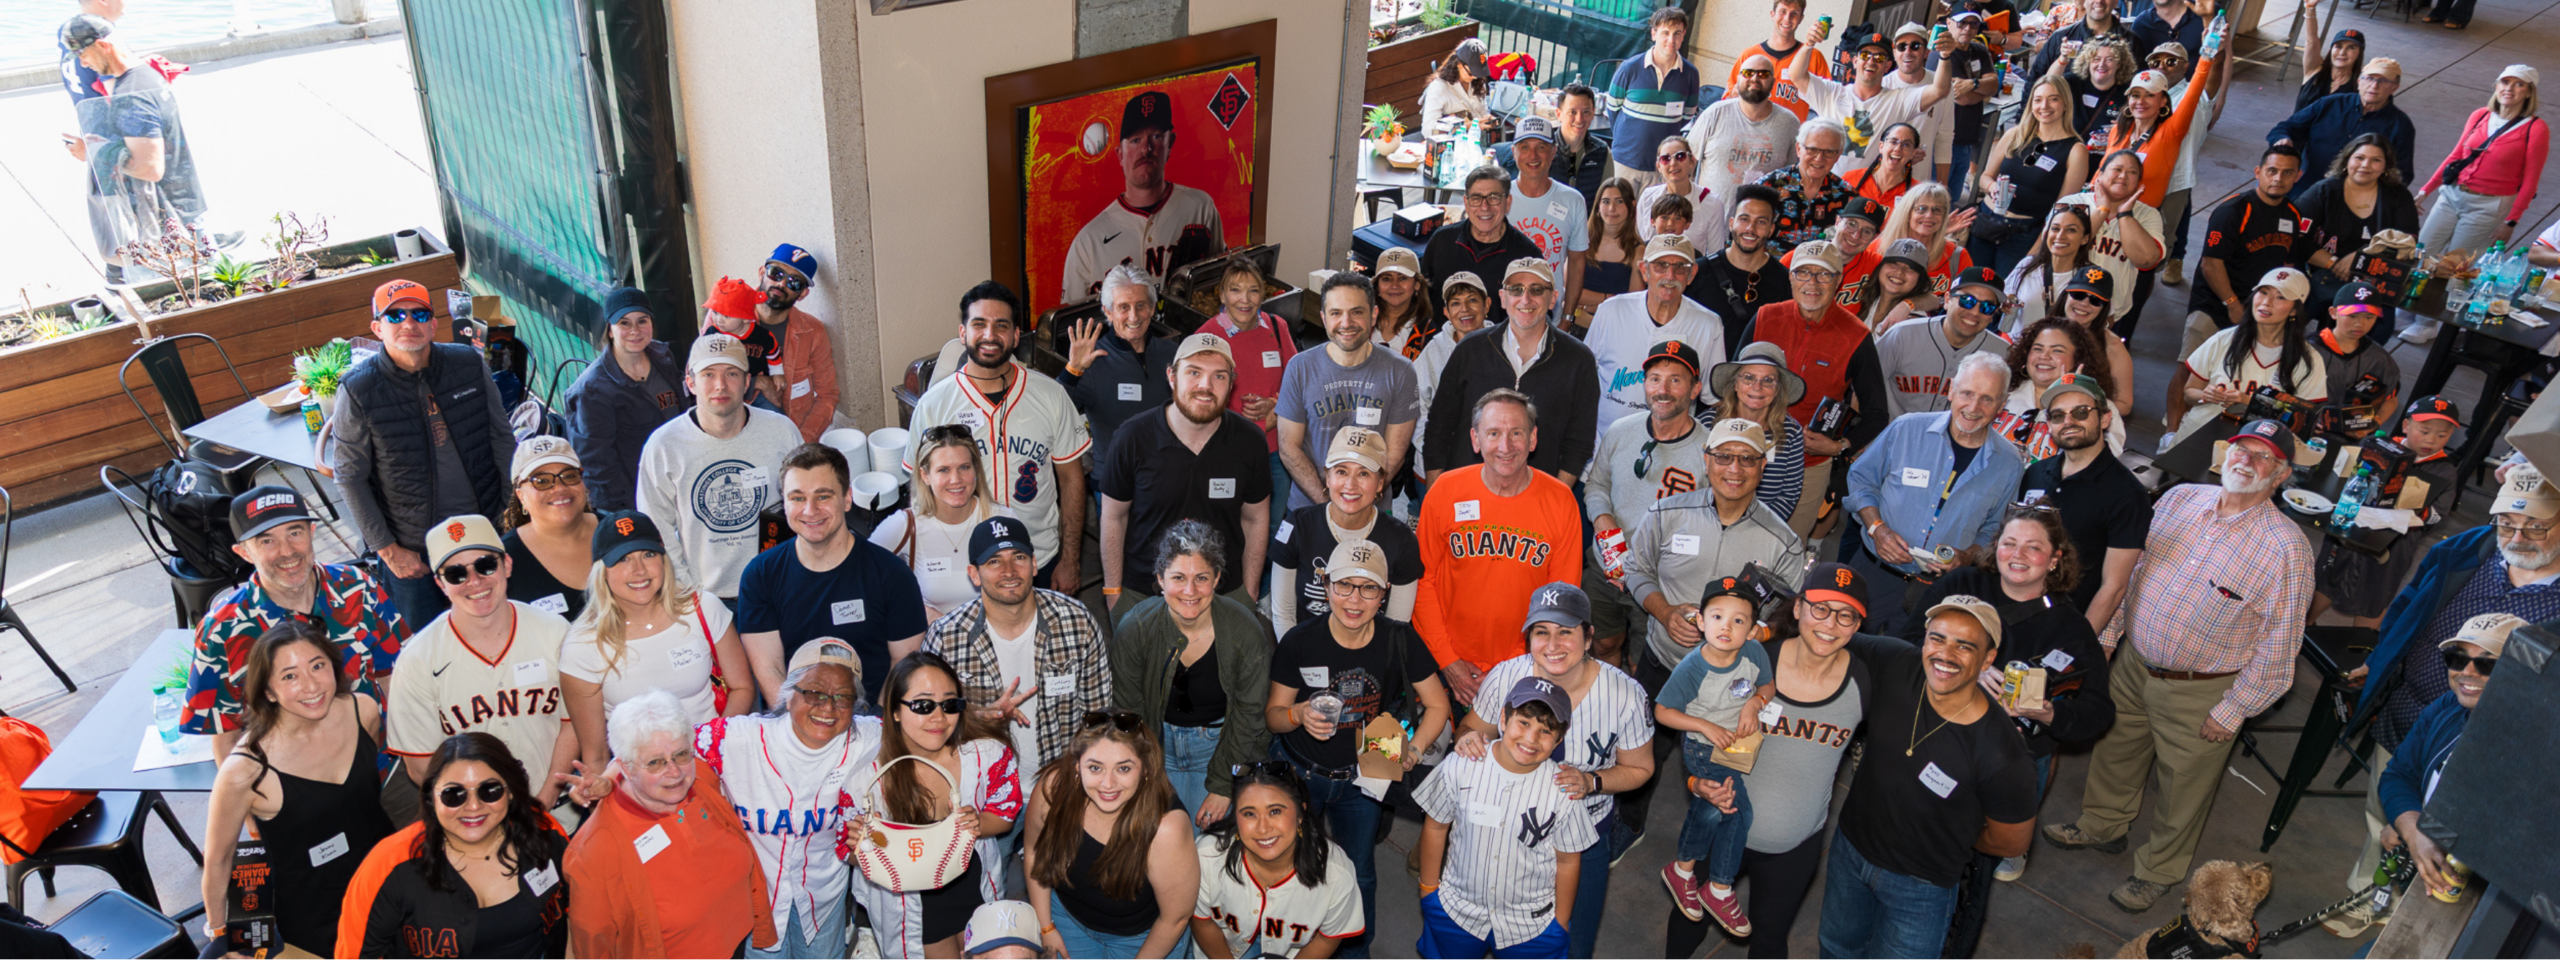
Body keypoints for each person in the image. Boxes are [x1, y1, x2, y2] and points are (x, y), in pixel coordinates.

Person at [2044, 420, 2313, 912]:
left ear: (2280, 475)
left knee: (2183, 791)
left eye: (2262, 457)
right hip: (2133, 663)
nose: (2246, 461)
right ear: (2224, 453)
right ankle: (2101, 825)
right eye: (2241, 449)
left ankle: (2157, 871)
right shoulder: (2179, 499)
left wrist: (2234, 710)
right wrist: (2106, 639)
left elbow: (2280, 645)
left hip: (2201, 690)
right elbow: (2131, 572)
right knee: (2115, 751)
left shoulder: (2285, 549)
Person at [1660, 564, 1876, 959]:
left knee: (1770, 942)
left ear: (1859, 624)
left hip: (1794, 846)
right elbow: (1693, 729)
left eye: (1846, 614)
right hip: (1722, 822)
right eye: (1820, 608)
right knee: (1687, 925)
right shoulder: (1751, 659)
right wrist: (1695, 784)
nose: (1830, 623)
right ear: (1797, 609)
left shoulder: (1864, 682)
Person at [1613, 418, 1804, 844]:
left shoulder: (1783, 540)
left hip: (1734, 684)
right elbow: (1635, 568)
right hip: (1665, 662)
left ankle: (1706, 846)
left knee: (1720, 765)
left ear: (1762, 467)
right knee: (1644, 748)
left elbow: (1791, 612)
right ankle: (1628, 824)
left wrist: (1765, 634)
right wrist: (1663, 612)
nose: (1734, 469)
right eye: (1724, 457)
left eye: (1747, 459)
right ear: (1707, 460)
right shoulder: (1667, 513)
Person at [1905, 506, 2113, 894]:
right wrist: (1963, 667)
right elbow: (1906, 643)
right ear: (1995, 546)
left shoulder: (2070, 628)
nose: (2018, 555)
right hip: (1936, 739)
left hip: (2011, 760)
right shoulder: (1960, 586)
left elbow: (2099, 712)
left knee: (1976, 867)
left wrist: (2050, 712)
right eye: (2010, 543)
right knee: (1915, 833)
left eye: (2033, 548)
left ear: (2055, 560)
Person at [1446, 585, 1655, 959]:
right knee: (1480, 933)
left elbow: (1640, 768)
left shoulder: (1624, 693)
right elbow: (1469, 730)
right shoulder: (1506, 676)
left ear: (1589, 637)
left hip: (1583, 836)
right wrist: (1467, 740)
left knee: (1571, 944)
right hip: (1500, 831)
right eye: (1542, 631)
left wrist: (1593, 781)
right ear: (1528, 638)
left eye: (1566, 632)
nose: (1552, 644)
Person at [1266, 538, 1453, 956]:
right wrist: (1298, 714)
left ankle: (1355, 949)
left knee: (1360, 872)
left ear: (1384, 595)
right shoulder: (1299, 640)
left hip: (1367, 770)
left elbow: (1439, 705)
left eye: (1368, 588)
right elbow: (1273, 716)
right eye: (1344, 586)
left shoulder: (1399, 639)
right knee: (1290, 863)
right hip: (1300, 773)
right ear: (1326, 586)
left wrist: (1415, 748)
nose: (1355, 599)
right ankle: (1291, 941)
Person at [1817, 597, 2035, 956]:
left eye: (1965, 646)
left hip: (1921, 885)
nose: (1945, 655)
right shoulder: (1896, 663)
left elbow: (2010, 842)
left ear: (1989, 658)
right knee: (1835, 948)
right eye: (1938, 639)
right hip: (1849, 854)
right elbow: (1825, 633)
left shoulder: (2003, 754)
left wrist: (1952, 834)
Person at [198, 622, 395, 955]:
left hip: (389, 883)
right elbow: (219, 861)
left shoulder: (363, 711)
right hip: (313, 918)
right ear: (268, 692)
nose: (311, 685)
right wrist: (225, 939)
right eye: (289, 676)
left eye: (318, 666)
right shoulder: (245, 771)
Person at [336, 279, 519, 622]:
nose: (409, 323)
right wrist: (389, 551)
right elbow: (349, 478)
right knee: (428, 648)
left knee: (502, 623)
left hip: (486, 529)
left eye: (419, 313)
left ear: (434, 325)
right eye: (395, 316)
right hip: (415, 553)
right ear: (377, 328)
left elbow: (502, 439)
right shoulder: (359, 389)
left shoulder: (467, 363)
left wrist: (511, 513)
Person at [181, 485, 409, 760]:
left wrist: (414, 758)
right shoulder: (221, 630)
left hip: (382, 762)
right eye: (267, 541)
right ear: (244, 553)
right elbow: (225, 734)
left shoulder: (357, 587)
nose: (287, 552)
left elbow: (394, 678)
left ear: (312, 533)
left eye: (295, 533)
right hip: (292, 787)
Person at [686, 639, 877, 959]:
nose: (828, 707)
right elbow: (665, 743)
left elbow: (923, 736)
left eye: (843, 697)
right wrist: (610, 778)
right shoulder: (737, 738)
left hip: (823, 899)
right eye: (814, 692)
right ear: (788, 693)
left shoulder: (867, 738)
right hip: (755, 902)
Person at [388, 514, 577, 816]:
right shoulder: (417, 660)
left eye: (486, 565)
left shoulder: (554, 631)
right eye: (456, 574)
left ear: (507, 565)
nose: (474, 581)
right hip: (474, 823)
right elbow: (420, 764)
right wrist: (477, 814)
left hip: (559, 811)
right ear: (440, 583)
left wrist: (546, 797)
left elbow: (574, 723)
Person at [564, 690, 778, 956]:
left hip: (735, 945)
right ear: (627, 768)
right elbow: (594, 943)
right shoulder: (595, 850)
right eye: (655, 763)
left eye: (680, 754)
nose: (675, 772)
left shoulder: (701, 780)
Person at [907, 281, 1091, 590]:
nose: (990, 336)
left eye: (1001, 325)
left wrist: (1070, 559)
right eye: (979, 324)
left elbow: (1072, 479)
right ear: (963, 333)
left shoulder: (1050, 394)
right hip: (967, 564)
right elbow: (919, 493)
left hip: (1039, 557)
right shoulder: (934, 405)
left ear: (1016, 336)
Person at [848, 651, 1025, 958]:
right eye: (923, 705)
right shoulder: (867, 779)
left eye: (950, 704)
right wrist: (865, 845)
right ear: (894, 710)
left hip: (977, 892)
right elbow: (848, 854)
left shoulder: (988, 756)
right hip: (914, 911)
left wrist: (979, 823)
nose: (939, 717)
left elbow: (1005, 814)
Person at [1416, 390, 1586, 703]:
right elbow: (1422, 583)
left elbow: (1561, 602)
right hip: (1447, 662)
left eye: (1516, 433)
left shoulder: (1561, 500)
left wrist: (1524, 669)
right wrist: (1449, 662)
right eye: (1494, 433)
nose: (1505, 447)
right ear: (1475, 439)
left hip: (1526, 668)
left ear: (1533, 439)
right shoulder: (1445, 491)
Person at [336, 732, 571, 958]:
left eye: (489, 790)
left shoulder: (544, 832)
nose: (473, 806)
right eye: (453, 794)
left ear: (510, 793)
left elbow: (577, 917)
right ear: (431, 798)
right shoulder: (389, 863)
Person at [1413, 676, 1598, 958]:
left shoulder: (1564, 788)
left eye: (1546, 731)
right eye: (1523, 722)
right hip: (1457, 911)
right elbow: (1436, 828)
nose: (1531, 738)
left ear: (1559, 739)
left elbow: (1568, 859)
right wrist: (1428, 891)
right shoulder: (1461, 765)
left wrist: (1559, 923)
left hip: (1530, 925)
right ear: (1503, 718)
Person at [1842, 353, 2026, 635]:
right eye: (1967, 393)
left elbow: (1996, 529)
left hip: (1936, 592)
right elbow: (1861, 479)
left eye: (1987, 399)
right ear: (1951, 390)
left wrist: (1967, 556)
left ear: (2002, 406)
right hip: (1872, 573)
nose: (1973, 407)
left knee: (1906, 672)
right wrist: (1877, 528)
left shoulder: (2009, 463)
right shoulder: (1907, 429)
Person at [561, 509, 753, 776]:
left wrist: (713, 749)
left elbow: (741, 687)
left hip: (717, 764)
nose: (639, 570)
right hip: (639, 783)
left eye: (648, 554)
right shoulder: (582, 645)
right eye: (623, 559)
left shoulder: (703, 608)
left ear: (664, 560)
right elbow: (595, 754)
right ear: (602, 571)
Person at [737, 442, 928, 705]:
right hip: (796, 724)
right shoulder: (759, 576)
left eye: (823, 496)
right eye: (797, 498)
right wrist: (795, 730)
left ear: (847, 498)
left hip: (873, 724)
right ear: (784, 502)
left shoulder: (892, 575)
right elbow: (770, 669)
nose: (810, 510)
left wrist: (877, 730)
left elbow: (903, 666)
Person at [1111, 522, 1273, 825]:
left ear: (1217, 579)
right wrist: (1142, 770)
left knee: (1205, 850)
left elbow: (1250, 714)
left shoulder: (1244, 631)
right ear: (1160, 580)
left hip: (1221, 746)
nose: (1190, 590)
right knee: (1154, 846)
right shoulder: (1136, 629)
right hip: (1156, 747)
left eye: (1201, 578)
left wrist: (1223, 784)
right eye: (1178, 578)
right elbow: (1128, 713)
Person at [924, 516, 1113, 774]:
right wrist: (979, 721)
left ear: (1034, 564)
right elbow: (928, 728)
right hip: (983, 792)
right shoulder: (946, 638)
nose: (1009, 571)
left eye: (1019, 557)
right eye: (994, 561)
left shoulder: (1077, 622)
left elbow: (1098, 719)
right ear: (974, 574)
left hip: (1062, 786)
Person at [1102, 333, 1274, 615]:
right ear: (1172, 376)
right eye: (1194, 372)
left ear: (1231, 383)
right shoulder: (1132, 437)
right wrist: (1113, 593)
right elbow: (1113, 516)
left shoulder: (1250, 441)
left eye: (1219, 376)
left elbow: (1256, 518)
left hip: (1224, 596)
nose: (1205, 385)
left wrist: (1250, 591)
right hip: (1144, 596)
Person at [634, 332, 800, 602]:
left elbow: (802, 504)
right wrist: (688, 592)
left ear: (747, 382)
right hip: (707, 599)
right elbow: (656, 527)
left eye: (732, 373)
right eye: (708, 374)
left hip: (779, 588)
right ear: (690, 382)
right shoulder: (664, 446)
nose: (720, 385)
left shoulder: (782, 431)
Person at [1740, 240, 1890, 536]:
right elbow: (1732, 382)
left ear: (1839, 281)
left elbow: (1876, 412)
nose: (1813, 283)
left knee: (1786, 548)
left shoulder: (1856, 336)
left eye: (1824, 274)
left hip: (1809, 465)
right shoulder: (1765, 317)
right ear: (1791, 278)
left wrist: (1839, 447)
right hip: (1745, 450)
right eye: (1803, 273)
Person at [1650, 575, 1773, 936]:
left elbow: (1768, 683)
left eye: (1739, 620)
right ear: (1700, 622)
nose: (1727, 626)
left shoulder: (1753, 652)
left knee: (1709, 807)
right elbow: (1663, 711)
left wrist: (1755, 703)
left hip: (1735, 745)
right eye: (1717, 616)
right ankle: (1719, 887)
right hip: (1704, 747)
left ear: (1752, 630)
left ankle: (1682, 870)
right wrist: (1703, 725)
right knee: (1736, 809)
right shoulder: (1693, 667)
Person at [1023, 711, 1202, 958]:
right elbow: (1034, 854)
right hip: (1067, 919)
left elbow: (1175, 918)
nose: (1108, 784)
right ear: (1077, 766)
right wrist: (1046, 928)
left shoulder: (1166, 827)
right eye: (1095, 767)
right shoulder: (1055, 790)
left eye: (1123, 768)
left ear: (1146, 769)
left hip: (1142, 938)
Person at [1586, 342, 1717, 661]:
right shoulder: (1620, 431)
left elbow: (1708, 529)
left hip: (1663, 581)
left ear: (1695, 388)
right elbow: (1597, 484)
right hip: (1606, 561)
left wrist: (1640, 569)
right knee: (1602, 643)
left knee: (1644, 661)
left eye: (1676, 379)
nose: (1663, 389)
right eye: (1655, 378)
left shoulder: (1710, 451)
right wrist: (1603, 519)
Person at [56, 14, 211, 279]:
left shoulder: (132, 94)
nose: (82, 62)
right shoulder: (146, 75)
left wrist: (92, 153)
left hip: (170, 224)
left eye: (82, 53)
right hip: (185, 208)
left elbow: (150, 169)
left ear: (103, 45)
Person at [1419, 259, 1602, 481]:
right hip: (1468, 491)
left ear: (1553, 299)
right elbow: (1438, 426)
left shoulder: (1579, 360)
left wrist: (1555, 499)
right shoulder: (1470, 349)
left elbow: (1580, 442)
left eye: (1536, 289)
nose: (1526, 299)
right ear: (1503, 298)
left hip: (1535, 496)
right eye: (1516, 289)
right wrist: (1436, 495)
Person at [2406, 65, 2546, 345]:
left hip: (2489, 204)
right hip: (2453, 194)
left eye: (2519, 84)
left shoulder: (2535, 128)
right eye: (2504, 82)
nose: (2509, 88)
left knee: (2456, 263)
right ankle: (2412, 305)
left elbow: (2530, 182)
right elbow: (2456, 155)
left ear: (2529, 92)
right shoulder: (2480, 115)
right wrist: (2426, 191)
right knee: (2424, 250)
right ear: (2496, 86)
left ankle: (2429, 321)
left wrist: (2511, 222)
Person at [2176, 145, 2310, 412]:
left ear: (2298, 176)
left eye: (2287, 173)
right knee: (2190, 371)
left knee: (2238, 374)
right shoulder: (2233, 211)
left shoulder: (2293, 216)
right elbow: (2211, 264)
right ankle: (2170, 428)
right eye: (2272, 171)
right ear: (2258, 172)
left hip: (2257, 309)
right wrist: (2233, 304)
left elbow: (2286, 265)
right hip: (2214, 304)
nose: (2278, 178)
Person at [2311, 390, 2458, 631]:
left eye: (2442, 435)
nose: (2431, 440)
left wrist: (2412, 508)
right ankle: (2302, 626)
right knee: (2327, 578)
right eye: (2424, 431)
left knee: (2377, 595)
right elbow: (2346, 474)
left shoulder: (2444, 471)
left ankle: (2358, 643)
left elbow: (2438, 513)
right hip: (2350, 528)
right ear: (2406, 425)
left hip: (2395, 543)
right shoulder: (2379, 445)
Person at [1061, 89, 1225, 303]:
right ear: (1120, 154)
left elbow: (1223, 290)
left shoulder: (1200, 209)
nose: (1145, 149)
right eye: (1135, 140)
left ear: (1170, 144)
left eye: (1156, 137)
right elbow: (1072, 327)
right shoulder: (1087, 242)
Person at [2016, 373, 2151, 630]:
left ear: (2104, 418)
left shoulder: (2128, 495)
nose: (2068, 421)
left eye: (2080, 412)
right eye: (2057, 415)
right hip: (2014, 610)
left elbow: (2114, 586)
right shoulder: (2036, 472)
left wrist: (2078, 644)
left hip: (2063, 625)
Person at [1187, 762, 1365, 958]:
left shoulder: (1337, 874)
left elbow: (1327, 937)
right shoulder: (1207, 856)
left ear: (1300, 814)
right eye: (1249, 814)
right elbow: (1202, 921)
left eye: (1275, 811)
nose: (1263, 829)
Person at [1278, 274, 1420, 511]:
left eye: (1356, 312)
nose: (1346, 322)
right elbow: (1289, 448)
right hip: (1309, 507)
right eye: (1336, 313)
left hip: (1372, 509)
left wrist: (1358, 504)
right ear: (1323, 318)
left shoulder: (1401, 371)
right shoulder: (1299, 368)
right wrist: (1327, 503)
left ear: (1373, 314)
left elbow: (1394, 455)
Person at [1270, 427, 1424, 632]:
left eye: (1363, 474)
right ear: (1327, 476)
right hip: (1304, 653)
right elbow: (1283, 614)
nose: (1350, 485)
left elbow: (1396, 627)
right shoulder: (1297, 527)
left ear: (1380, 483)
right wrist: (1298, 660)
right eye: (1341, 471)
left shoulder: (1402, 541)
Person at [2170, 267, 2326, 447]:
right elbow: (2189, 393)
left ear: (2294, 310)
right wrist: (2205, 395)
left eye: (2281, 297)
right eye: (2263, 292)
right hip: (2198, 437)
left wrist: (2248, 401)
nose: (2266, 302)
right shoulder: (2224, 339)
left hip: (2259, 450)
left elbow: (2303, 420)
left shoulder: (2309, 360)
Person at [567, 287, 690, 512]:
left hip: (676, 485)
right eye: (624, 323)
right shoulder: (592, 391)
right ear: (610, 330)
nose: (635, 330)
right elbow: (598, 466)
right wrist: (636, 508)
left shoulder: (663, 357)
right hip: (634, 500)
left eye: (642, 321)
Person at [874, 425, 1013, 620]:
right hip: (935, 646)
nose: (955, 479)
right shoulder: (907, 525)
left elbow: (1024, 588)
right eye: (943, 470)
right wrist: (914, 607)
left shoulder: (1003, 521)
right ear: (925, 476)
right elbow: (860, 573)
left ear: (976, 469)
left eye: (964, 467)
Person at [1786, 22, 1958, 174]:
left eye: (1880, 57)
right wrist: (1809, 43)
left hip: (1868, 192)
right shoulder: (1832, 93)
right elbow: (1796, 75)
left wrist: (1945, 55)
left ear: (1887, 66)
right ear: (1855, 61)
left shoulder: (1897, 100)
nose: (1871, 61)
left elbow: (1940, 90)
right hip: (1828, 187)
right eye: (1865, 55)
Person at [1589, 237, 1725, 426]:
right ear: (1644, 270)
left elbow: (1715, 399)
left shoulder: (1708, 325)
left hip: (1672, 449)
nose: (1670, 276)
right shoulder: (1611, 311)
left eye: (1680, 267)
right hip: (1605, 444)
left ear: (1691, 274)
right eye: (1661, 266)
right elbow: (1584, 377)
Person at [1971, 76, 2093, 275]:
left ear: (2065, 103)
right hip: (1985, 224)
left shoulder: (2075, 150)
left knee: (2005, 294)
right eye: (2038, 100)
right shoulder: (2014, 135)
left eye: (2053, 99)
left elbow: (2060, 210)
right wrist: (1993, 188)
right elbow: (1985, 177)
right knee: (1971, 286)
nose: (2044, 106)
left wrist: (2036, 249)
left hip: (2023, 235)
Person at [1198, 257, 1299, 494]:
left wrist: (1276, 404)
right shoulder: (1207, 337)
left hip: (1277, 451)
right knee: (1233, 525)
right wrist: (1264, 424)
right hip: (1229, 452)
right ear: (1222, 295)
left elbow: (1297, 382)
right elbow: (1199, 401)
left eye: (1253, 291)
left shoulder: (1277, 327)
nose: (1245, 299)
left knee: (1273, 524)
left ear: (1262, 295)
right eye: (1235, 290)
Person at [1059, 265, 1178, 460]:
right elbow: (1054, 412)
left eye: (1141, 305)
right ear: (1108, 312)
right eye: (1124, 307)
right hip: (1113, 483)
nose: (1134, 316)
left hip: (1163, 475)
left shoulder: (1172, 353)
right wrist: (1073, 370)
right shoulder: (1092, 361)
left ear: (1152, 308)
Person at [2300, 134, 2420, 317]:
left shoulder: (2399, 196)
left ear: (2385, 166)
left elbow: (2408, 240)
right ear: (2347, 160)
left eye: (2376, 160)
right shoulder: (2323, 191)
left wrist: (2361, 257)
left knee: (2379, 329)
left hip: (2374, 280)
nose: (2365, 165)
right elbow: (2296, 237)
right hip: (2323, 274)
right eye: (2359, 158)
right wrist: (2334, 264)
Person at [2270, 58, 2417, 199]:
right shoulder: (2330, 103)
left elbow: (2402, 174)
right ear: (2359, 81)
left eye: (2383, 81)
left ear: (2394, 87)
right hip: (2303, 187)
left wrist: (2373, 196)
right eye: (2369, 78)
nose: (2374, 86)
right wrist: (2283, 139)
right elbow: (2286, 127)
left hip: (2350, 200)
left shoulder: (2401, 125)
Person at [1876, 266, 2007, 420]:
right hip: (1891, 437)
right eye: (1967, 301)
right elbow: (1863, 391)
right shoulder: (1902, 335)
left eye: (1987, 307)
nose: (1975, 312)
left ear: (1992, 316)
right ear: (1946, 300)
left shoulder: (2001, 354)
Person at [2057, 151, 2165, 336]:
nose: (2123, 176)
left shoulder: (2148, 214)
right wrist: (2102, 210)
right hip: (2060, 301)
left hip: (2110, 314)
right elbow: (2062, 248)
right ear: (2100, 174)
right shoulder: (2072, 203)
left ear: (2139, 183)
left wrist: (2124, 215)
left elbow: (2146, 260)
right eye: (2117, 169)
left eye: (2132, 172)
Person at [742, 244, 840, 442]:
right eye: (776, 273)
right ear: (762, 272)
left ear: (802, 294)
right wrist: (755, 382)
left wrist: (800, 442)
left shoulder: (813, 332)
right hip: (738, 434)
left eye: (794, 282)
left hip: (791, 436)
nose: (781, 284)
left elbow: (827, 395)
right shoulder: (727, 316)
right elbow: (702, 378)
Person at [1702, 343, 1808, 521]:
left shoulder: (1791, 432)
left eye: (1768, 380)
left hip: (1764, 525)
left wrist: (1753, 528)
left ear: (1777, 390)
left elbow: (1789, 494)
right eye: (1749, 378)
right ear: (1735, 384)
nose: (1757, 387)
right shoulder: (1707, 424)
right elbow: (1695, 482)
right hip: (1708, 520)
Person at [1604, 6, 1701, 190]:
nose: (1671, 40)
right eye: (1665, 33)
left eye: (1677, 33)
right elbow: (1612, 109)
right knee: (1619, 216)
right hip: (1625, 161)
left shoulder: (1690, 75)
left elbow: (1687, 117)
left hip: (1663, 166)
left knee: (1653, 218)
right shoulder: (1629, 68)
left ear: (1684, 35)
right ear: (1654, 33)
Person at [500, 437, 598, 620]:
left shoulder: (619, 530)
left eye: (569, 476)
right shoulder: (504, 559)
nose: (559, 488)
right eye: (541, 481)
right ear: (521, 496)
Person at [1420, 166, 1547, 305]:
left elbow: (1539, 312)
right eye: (1476, 198)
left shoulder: (1527, 255)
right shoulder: (1442, 241)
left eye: (1494, 198)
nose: (1485, 207)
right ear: (1466, 203)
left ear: (1508, 202)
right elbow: (1421, 297)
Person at [1996, 318, 2122, 458]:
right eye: (2037, 349)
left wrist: (2075, 402)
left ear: (2078, 359)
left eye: (2057, 350)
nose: (2044, 356)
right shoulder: (2002, 390)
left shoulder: (2099, 407)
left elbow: (2101, 465)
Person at [1507, 117, 1593, 321]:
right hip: (1505, 313)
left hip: (1550, 316)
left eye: (1541, 147)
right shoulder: (1500, 198)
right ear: (1514, 152)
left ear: (1553, 152)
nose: (1533, 155)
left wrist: (1567, 316)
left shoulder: (1573, 200)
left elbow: (1576, 263)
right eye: (1525, 147)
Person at [1689, 185, 1793, 350]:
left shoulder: (1784, 282)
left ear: (1771, 229)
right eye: (1744, 219)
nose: (1750, 229)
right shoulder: (1698, 272)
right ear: (1731, 223)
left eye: (1761, 221)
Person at [1690, 55, 1801, 206]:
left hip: (1759, 222)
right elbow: (1687, 162)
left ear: (1773, 82)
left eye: (1763, 74)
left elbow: (1792, 177)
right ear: (1738, 79)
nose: (1755, 78)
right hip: (1710, 221)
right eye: (1748, 73)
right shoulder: (1715, 113)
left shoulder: (1790, 123)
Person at [1414, 272, 1492, 470]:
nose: (1464, 309)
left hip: (1490, 464)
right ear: (1447, 312)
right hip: (1436, 464)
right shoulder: (1434, 350)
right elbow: (1417, 405)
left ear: (1487, 305)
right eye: (1455, 303)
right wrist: (1433, 446)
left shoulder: (1502, 346)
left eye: (1472, 300)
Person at [2310, 279, 2403, 430]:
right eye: (2352, 316)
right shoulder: (2307, 349)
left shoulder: (2380, 359)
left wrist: (2374, 422)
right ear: (2333, 313)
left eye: (2369, 317)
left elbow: (2390, 399)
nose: (2360, 323)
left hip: (2350, 435)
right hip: (2304, 428)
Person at [1754, 120, 1856, 252]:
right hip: (1769, 270)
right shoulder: (1766, 187)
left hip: (1821, 271)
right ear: (1798, 149)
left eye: (1829, 152)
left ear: (1838, 155)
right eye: (1812, 149)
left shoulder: (1848, 196)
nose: (1819, 158)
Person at [1507, 83, 1614, 204]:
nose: (1579, 118)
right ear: (1559, 114)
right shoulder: (1542, 152)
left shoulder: (1602, 152)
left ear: (1593, 114)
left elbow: (1607, 199)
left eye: (1586, 112)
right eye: (1572, 112)